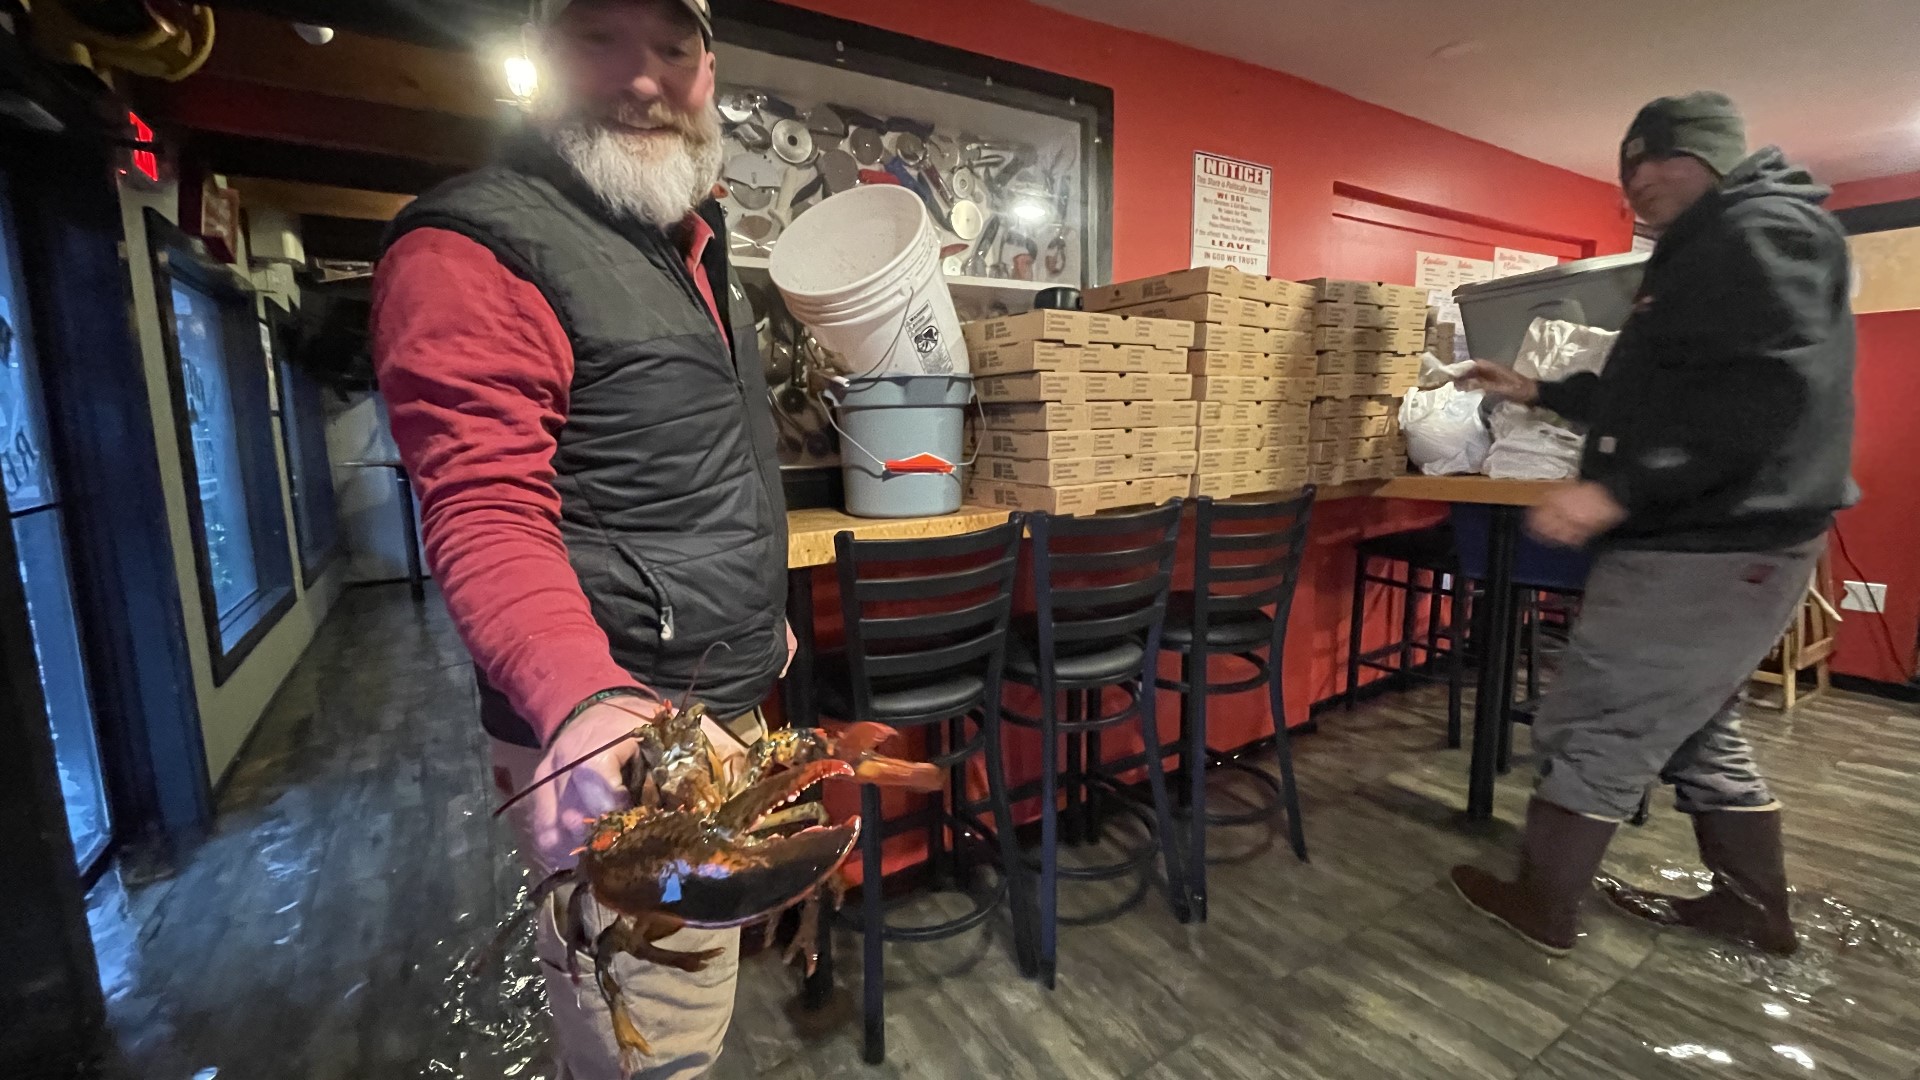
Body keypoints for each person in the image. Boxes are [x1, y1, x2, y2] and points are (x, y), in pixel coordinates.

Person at [371, 0, 793, 1075]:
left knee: (666, 1007)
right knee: (649, 1036)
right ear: (536, 59)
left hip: (716, 703)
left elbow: (689, 475)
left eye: (671, 47)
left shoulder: (691, 246)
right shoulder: (472, 242)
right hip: (617, 738)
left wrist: (762, 618)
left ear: (710, 70)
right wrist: (588, 698)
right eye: (597, 36)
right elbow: (482, 505)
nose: (641, 77)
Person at [1450, 91, 1855, 957]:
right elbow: (1663, 399)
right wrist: (1538, 391)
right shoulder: (1712, 242)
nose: (1633, 182)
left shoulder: (1753, 235)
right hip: (1722, 537)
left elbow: (1761, 401)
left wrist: (1618, 490)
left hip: (1707, 539)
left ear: (1702, 156)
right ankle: (1752, 907)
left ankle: (1543, 906)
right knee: (1694, 720)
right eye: (1627, 166)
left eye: (1649, 161)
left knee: (1599, 716)